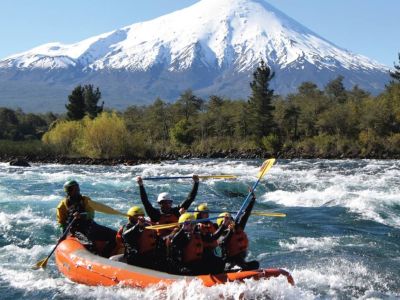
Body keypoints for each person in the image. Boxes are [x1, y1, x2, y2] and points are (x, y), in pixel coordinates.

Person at [56, 180, 121, 258]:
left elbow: (91, 214)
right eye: (74, 189)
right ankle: (95, 256)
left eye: (77, 188)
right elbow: (61, 223)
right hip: (76, 230)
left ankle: (105, 255)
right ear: (68, 191)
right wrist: (63, 235)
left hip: (90, 226)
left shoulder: (85, 200)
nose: (77, 190)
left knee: (116, 236)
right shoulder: (62, 206)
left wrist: (81, 215)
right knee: (90, 245)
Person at [217, 192, 259, 271]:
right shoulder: (220, 234)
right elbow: (224, 242)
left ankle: (244, 269)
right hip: (229, 262)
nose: (230, 222)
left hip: (240, 260)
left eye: (230, 220)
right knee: (237, 268)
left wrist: (253, 199)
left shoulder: (238, 228)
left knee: (255, 264)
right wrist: (230, 231)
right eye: (227, 221)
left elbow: (246, 214)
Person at [193, 203, 226, 274]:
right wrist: (223, 225)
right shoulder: (196, 227)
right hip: (201, 255)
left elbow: (223, 231)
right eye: (204, 213)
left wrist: (227, 223)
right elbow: (210, 239)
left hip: (211, 252)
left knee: (221, 262)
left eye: (207, 213)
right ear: (198, 215)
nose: (207, 215)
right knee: (217, 262)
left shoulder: (212, 225)